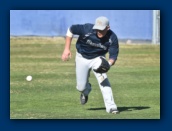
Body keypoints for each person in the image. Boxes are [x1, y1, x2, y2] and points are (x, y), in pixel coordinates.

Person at [61, 16, 119, 114]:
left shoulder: (112, 38)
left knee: (104, 81)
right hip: (82, 57)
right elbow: (71, 30)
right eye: (97, 29)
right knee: (80, 87)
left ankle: (111, 107)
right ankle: (86, 91)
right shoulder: (87, 29)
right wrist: (67, 49)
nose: (99, 31)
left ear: (107, 28)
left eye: (101, 29)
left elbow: (113, 56)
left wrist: (108, 64)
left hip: (98, 58)